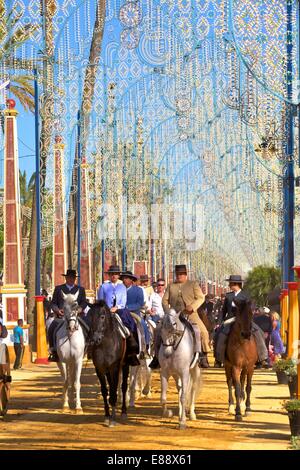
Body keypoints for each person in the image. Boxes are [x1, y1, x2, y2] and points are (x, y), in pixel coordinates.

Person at [150, 264, 210, 369]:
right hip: (173, 315)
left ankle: (203, 355)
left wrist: (193, 306)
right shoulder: (171, 286)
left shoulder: (193, 284)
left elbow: (201, 298)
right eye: (178, 274)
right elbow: (164, 300)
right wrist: (169, 312)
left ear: (186, 275)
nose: (179, 276)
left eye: (182, 274)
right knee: (158, 329)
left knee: (202, 331)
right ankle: (156, 357)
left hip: (190, 314)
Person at [213, 275, 268, 367]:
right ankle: (218, 358)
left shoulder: (246, 295)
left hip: (244, 320)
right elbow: (224, 311)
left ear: (236, 284)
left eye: (230, 283)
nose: (229, 285)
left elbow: (250, 310)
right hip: (230, 319)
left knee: (259, 332)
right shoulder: (228, 296)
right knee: (219, 333)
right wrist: (219, 323)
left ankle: (262, 358)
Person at [97, 265, 139, 366]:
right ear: (109, 275)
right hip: (105, 312)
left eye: (115, 274)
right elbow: (100, 301)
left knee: (128, 323)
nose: (114, 276)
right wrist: (106, 309)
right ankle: (91, 347)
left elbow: (123, 302)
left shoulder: (122, 287)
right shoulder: (103, 286)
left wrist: (116, 308)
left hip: (119, 310)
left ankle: (132, 345)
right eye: (112, 274)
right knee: (96, 325)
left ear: (118, 275)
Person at [47, 269, 90, 362]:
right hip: (61, 317)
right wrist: (57, 310)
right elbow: (53, 303)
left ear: (75, 279)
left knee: (88, 326)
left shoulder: (80, 289)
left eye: (73, 278)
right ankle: (53, 350)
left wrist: (80, 309)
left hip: (76, 317)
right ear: (66, 278)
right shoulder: (58, 289)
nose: (71, 279)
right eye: (69, 277)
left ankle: (89, 348)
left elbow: (84, 302)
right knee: (51, 328)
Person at [120, 271, 151, 358]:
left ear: (131, 280)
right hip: (121, 314)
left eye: (126, 278)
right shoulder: (119, 289)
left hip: (134, 314)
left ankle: (146, 346)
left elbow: (140, 303)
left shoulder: (139, 290)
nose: (124, 280)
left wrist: (126, 307)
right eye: (123, 278)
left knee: (143, 325)